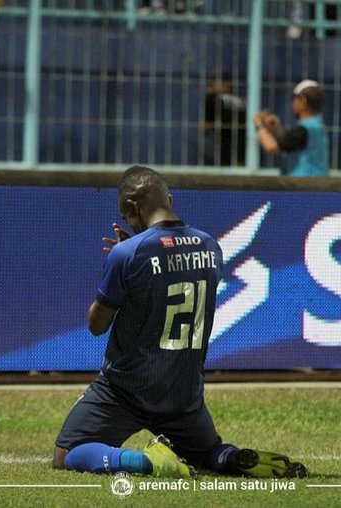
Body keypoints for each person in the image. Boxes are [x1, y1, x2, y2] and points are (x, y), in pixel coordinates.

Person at [53, 166, 307, 479]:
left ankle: (145, 462)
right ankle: (232, 457)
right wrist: (135, 246)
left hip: (128, 388)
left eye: (125, 213)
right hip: (183, 393)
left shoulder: (127, 254)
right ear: (169, 199)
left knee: (67, 453)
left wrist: (118, 260)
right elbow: (167, 268)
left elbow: (97, 324)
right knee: (207, 453)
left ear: (131, 209)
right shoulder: (210, 246)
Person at [253, 79, 329, 177]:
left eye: (296, 98)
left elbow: (271, 147)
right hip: (318, 187)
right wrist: (276, 129)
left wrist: (258, 123)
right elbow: (289, 144)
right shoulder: (317, 126)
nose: (293, 103)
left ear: (303, 100)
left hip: (304, 188)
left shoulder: (303, 130)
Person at [202, 72, 246, 166]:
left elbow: (204, 129)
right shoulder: (242, 99)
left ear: (225, 85)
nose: (208, 89)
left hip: (225, 144)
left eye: (211, 85)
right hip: (244, 144)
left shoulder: (212, 99)